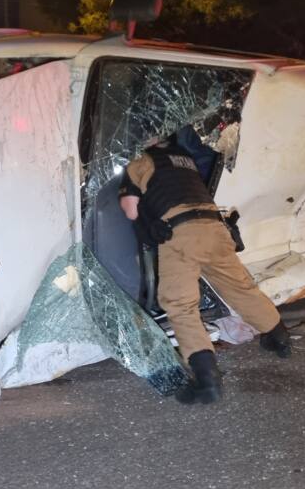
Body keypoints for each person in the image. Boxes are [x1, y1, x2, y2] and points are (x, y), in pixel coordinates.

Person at [118, 133, 293, 405]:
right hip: (215, 228)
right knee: (240, 288)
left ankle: (206, 381)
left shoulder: (140, 162)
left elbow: (130, 209)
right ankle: (278, 336)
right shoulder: (184, 159)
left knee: (179, 303)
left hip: (181, 233)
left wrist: (144, 222)